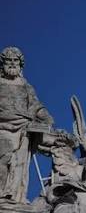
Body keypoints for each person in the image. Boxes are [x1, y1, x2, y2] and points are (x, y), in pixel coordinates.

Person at [0, 47, 53, 203]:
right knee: (3, 158)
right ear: (2, 63)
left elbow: (36, 106)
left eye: (15, 60)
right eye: (8, 60)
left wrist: (45, 116)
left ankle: (12, 196)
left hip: (22, 129)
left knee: (17, 163)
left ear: (20, 64)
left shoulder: (25, 86)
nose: (11, 63)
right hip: (3, 127)